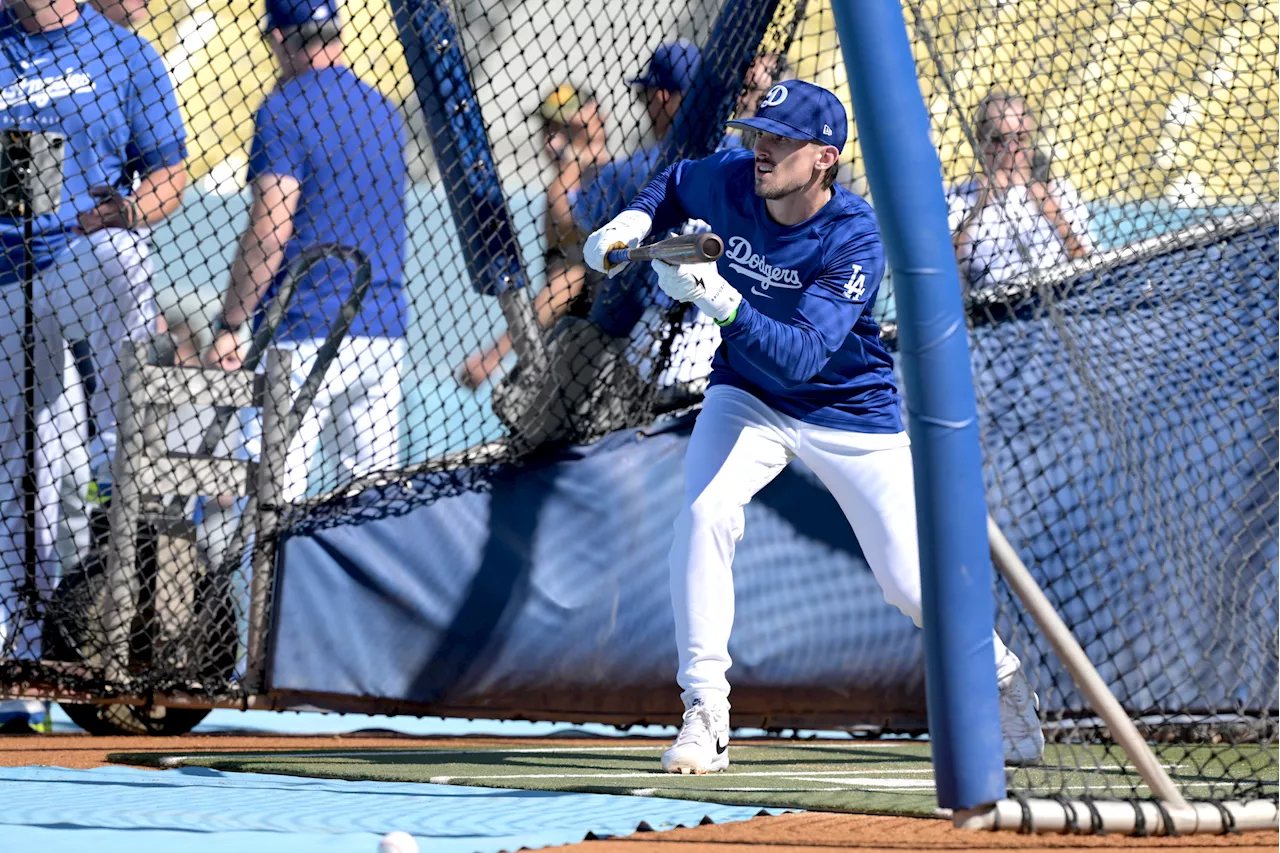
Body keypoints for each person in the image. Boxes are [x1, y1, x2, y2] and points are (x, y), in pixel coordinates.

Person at [583, 79, 1045, 775]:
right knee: (705, 514)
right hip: (747, 395)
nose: (761, 149)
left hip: (848, 411)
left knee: (908, 585)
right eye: (758, 134)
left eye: (781, 140)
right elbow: (677, 181)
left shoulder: (853, 235)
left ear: (824, 157)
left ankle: (1004, 679)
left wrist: (719, 296)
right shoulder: (737, 180)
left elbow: (801, 357)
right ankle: (705, 711)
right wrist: (632, 224)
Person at [0, 0, 187, 726]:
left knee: (122, 255)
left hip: (84, 250)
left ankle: (124, 439)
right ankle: (23, 655)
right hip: (9, 276)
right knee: (25, 463)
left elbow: (169, 172)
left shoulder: (124, 52)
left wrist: (131, 211)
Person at [204, 0, 406, 503]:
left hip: (303, 330)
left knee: (272, 502)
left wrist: (231, 325)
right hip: (381, 329)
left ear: (278, 40)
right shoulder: (384, 110)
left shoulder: (285, 110)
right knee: (369, 501)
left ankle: (263, 585)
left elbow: (271, 229)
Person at [456, 84, 609, 389]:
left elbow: (566, 282)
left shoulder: (585, 183)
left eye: (562, 129)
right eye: (546, 129)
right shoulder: (581, 177)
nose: (550, 142)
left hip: (595, 361)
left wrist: (492, 357)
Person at [949, 89, 1093, 288]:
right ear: (980, 142)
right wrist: (978, 208)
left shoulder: (1059, 191)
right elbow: (940, 274)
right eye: (999, 139)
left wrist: (1055, 215)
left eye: (1020, 138)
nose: (1011, 150)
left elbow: (1088, 262)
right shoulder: (960, 199)